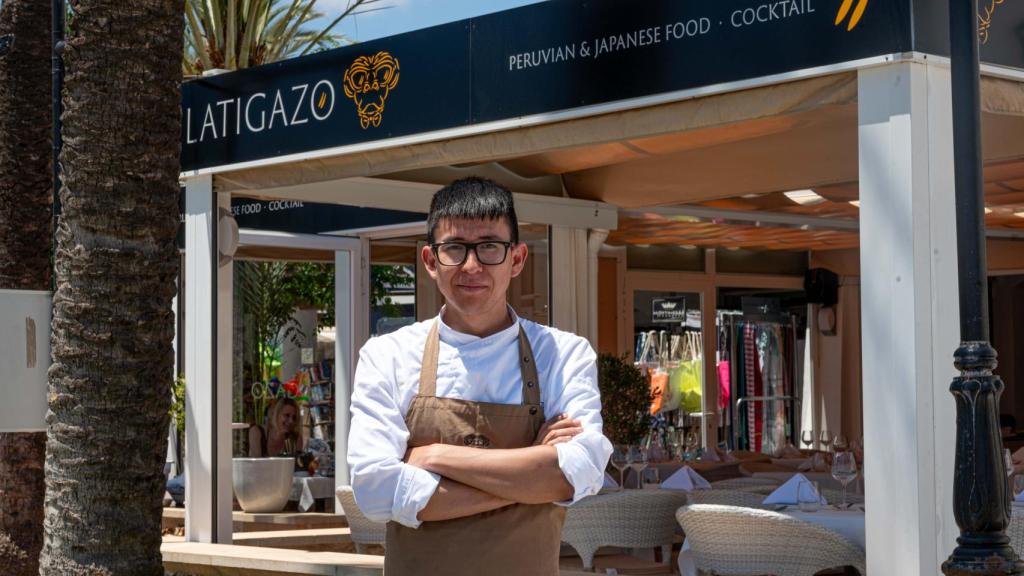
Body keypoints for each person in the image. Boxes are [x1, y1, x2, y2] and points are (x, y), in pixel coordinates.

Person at [348, 177, 612, 575]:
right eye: (455, 248)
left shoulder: (563, 354)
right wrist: (530, 476)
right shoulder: (387, 355)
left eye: (489, 246)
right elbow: (374, 490)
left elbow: (581, 472)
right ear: (431, 261)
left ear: (517, 259)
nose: (472, 266)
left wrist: (436, 457)